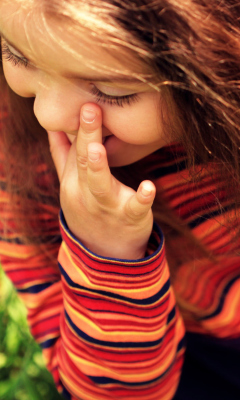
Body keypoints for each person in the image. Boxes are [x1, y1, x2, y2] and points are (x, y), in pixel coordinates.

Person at [1, 0, 240, 399]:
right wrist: (107, 252)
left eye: (113, 90)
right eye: (15, 53)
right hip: (184, 350)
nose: (48, 115)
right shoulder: (23, 164)